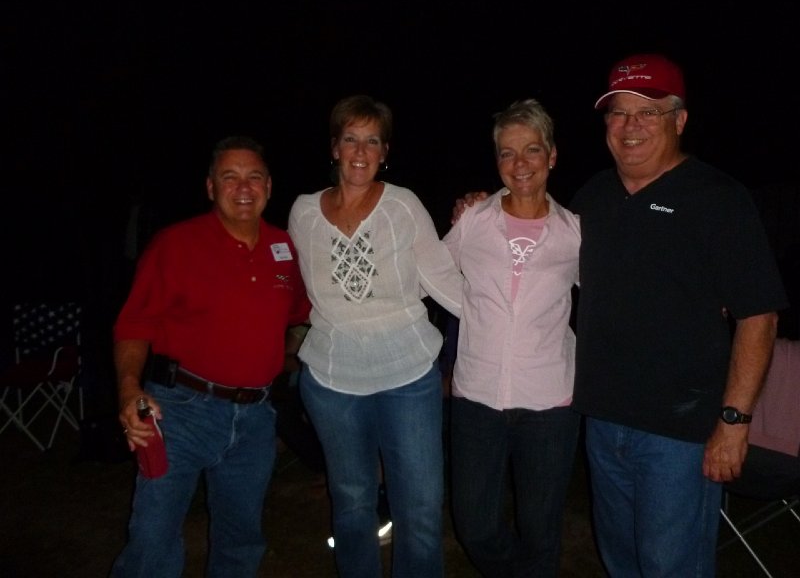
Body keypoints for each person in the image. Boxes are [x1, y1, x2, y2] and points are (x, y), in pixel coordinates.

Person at [568, 53, 789, 576]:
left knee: (672, 567)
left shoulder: (718, 199)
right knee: (620, 560)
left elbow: (759, 317)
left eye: (648, 112)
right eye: (619, 113)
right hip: (602, 420)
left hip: (680, 434)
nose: (630, 126)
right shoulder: (592, 197)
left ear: (680, 120)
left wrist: (733, 422)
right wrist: (484, 204)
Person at [111, 135, 311, 577]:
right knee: (153, 542)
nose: (244, 187)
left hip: (255, 418)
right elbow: (134, 324)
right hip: (180, 412)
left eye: (254, 176)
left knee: (241, 542)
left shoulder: (283, 248)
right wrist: (128, 388)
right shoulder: (175, 244)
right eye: (230, 177)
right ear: (210, 187)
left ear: (269, 186)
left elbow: (302, 311)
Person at [287, 94, 462, 577]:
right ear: (334, 148)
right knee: (351, 503)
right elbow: (297, 287)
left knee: (420, 508)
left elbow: (442, 279)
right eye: (350, 139)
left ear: (384, 152)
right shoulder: (303, 212)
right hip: (331, 382)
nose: (360, 152)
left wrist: (502, 325)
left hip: (408, 377)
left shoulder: (402, 205)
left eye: (372, 141)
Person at [442, 99, 581, 577]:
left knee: (540, 529)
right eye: (507, 152)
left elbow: (613, 297)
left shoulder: (575, 233)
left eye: (532, 150)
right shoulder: (472, 220)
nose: (520, 163)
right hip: (476, 396)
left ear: (552, 156)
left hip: (549, 402)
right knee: (474, 524)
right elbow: (430, 276)